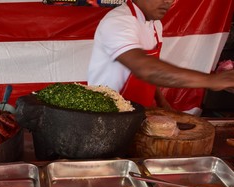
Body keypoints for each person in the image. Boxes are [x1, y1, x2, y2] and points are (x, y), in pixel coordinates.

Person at [87, 0, 234, 110]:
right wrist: (212, 81)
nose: (168, 1)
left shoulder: (155, 24)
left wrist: (163, 104)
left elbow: (153, 68)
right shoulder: (118, 22)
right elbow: (146, 69)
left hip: (136, 114)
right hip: (107, 116)